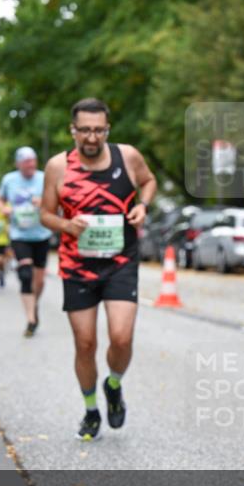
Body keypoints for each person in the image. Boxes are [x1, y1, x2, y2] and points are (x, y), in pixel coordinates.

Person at [40, 98, 157, 440]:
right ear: (72, 130)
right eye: (85, 131)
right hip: (77, 266)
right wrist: (65, 226)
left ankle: (114, 384)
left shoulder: (128, 157)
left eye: (98, 130)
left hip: (121, 261)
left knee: (121, 338)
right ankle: (91, 411)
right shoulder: (57, 167)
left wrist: (142, 205)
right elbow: (45, 214)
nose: (92, 138)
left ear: (107, 129)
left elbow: (148, 182)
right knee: (86, 343)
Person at [0, 146, 51, 337]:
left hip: (41, 234)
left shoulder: (44, 177)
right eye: (27, 162)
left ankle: (33, 304)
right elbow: (1, 200)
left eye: (33, 161)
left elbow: (57, 200)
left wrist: (44, 202)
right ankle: (30, 319)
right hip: (19, 234)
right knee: (25, 275)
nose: (31, 165)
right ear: (18, 164)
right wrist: (4, 208)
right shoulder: (9, 180)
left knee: (39, 280)